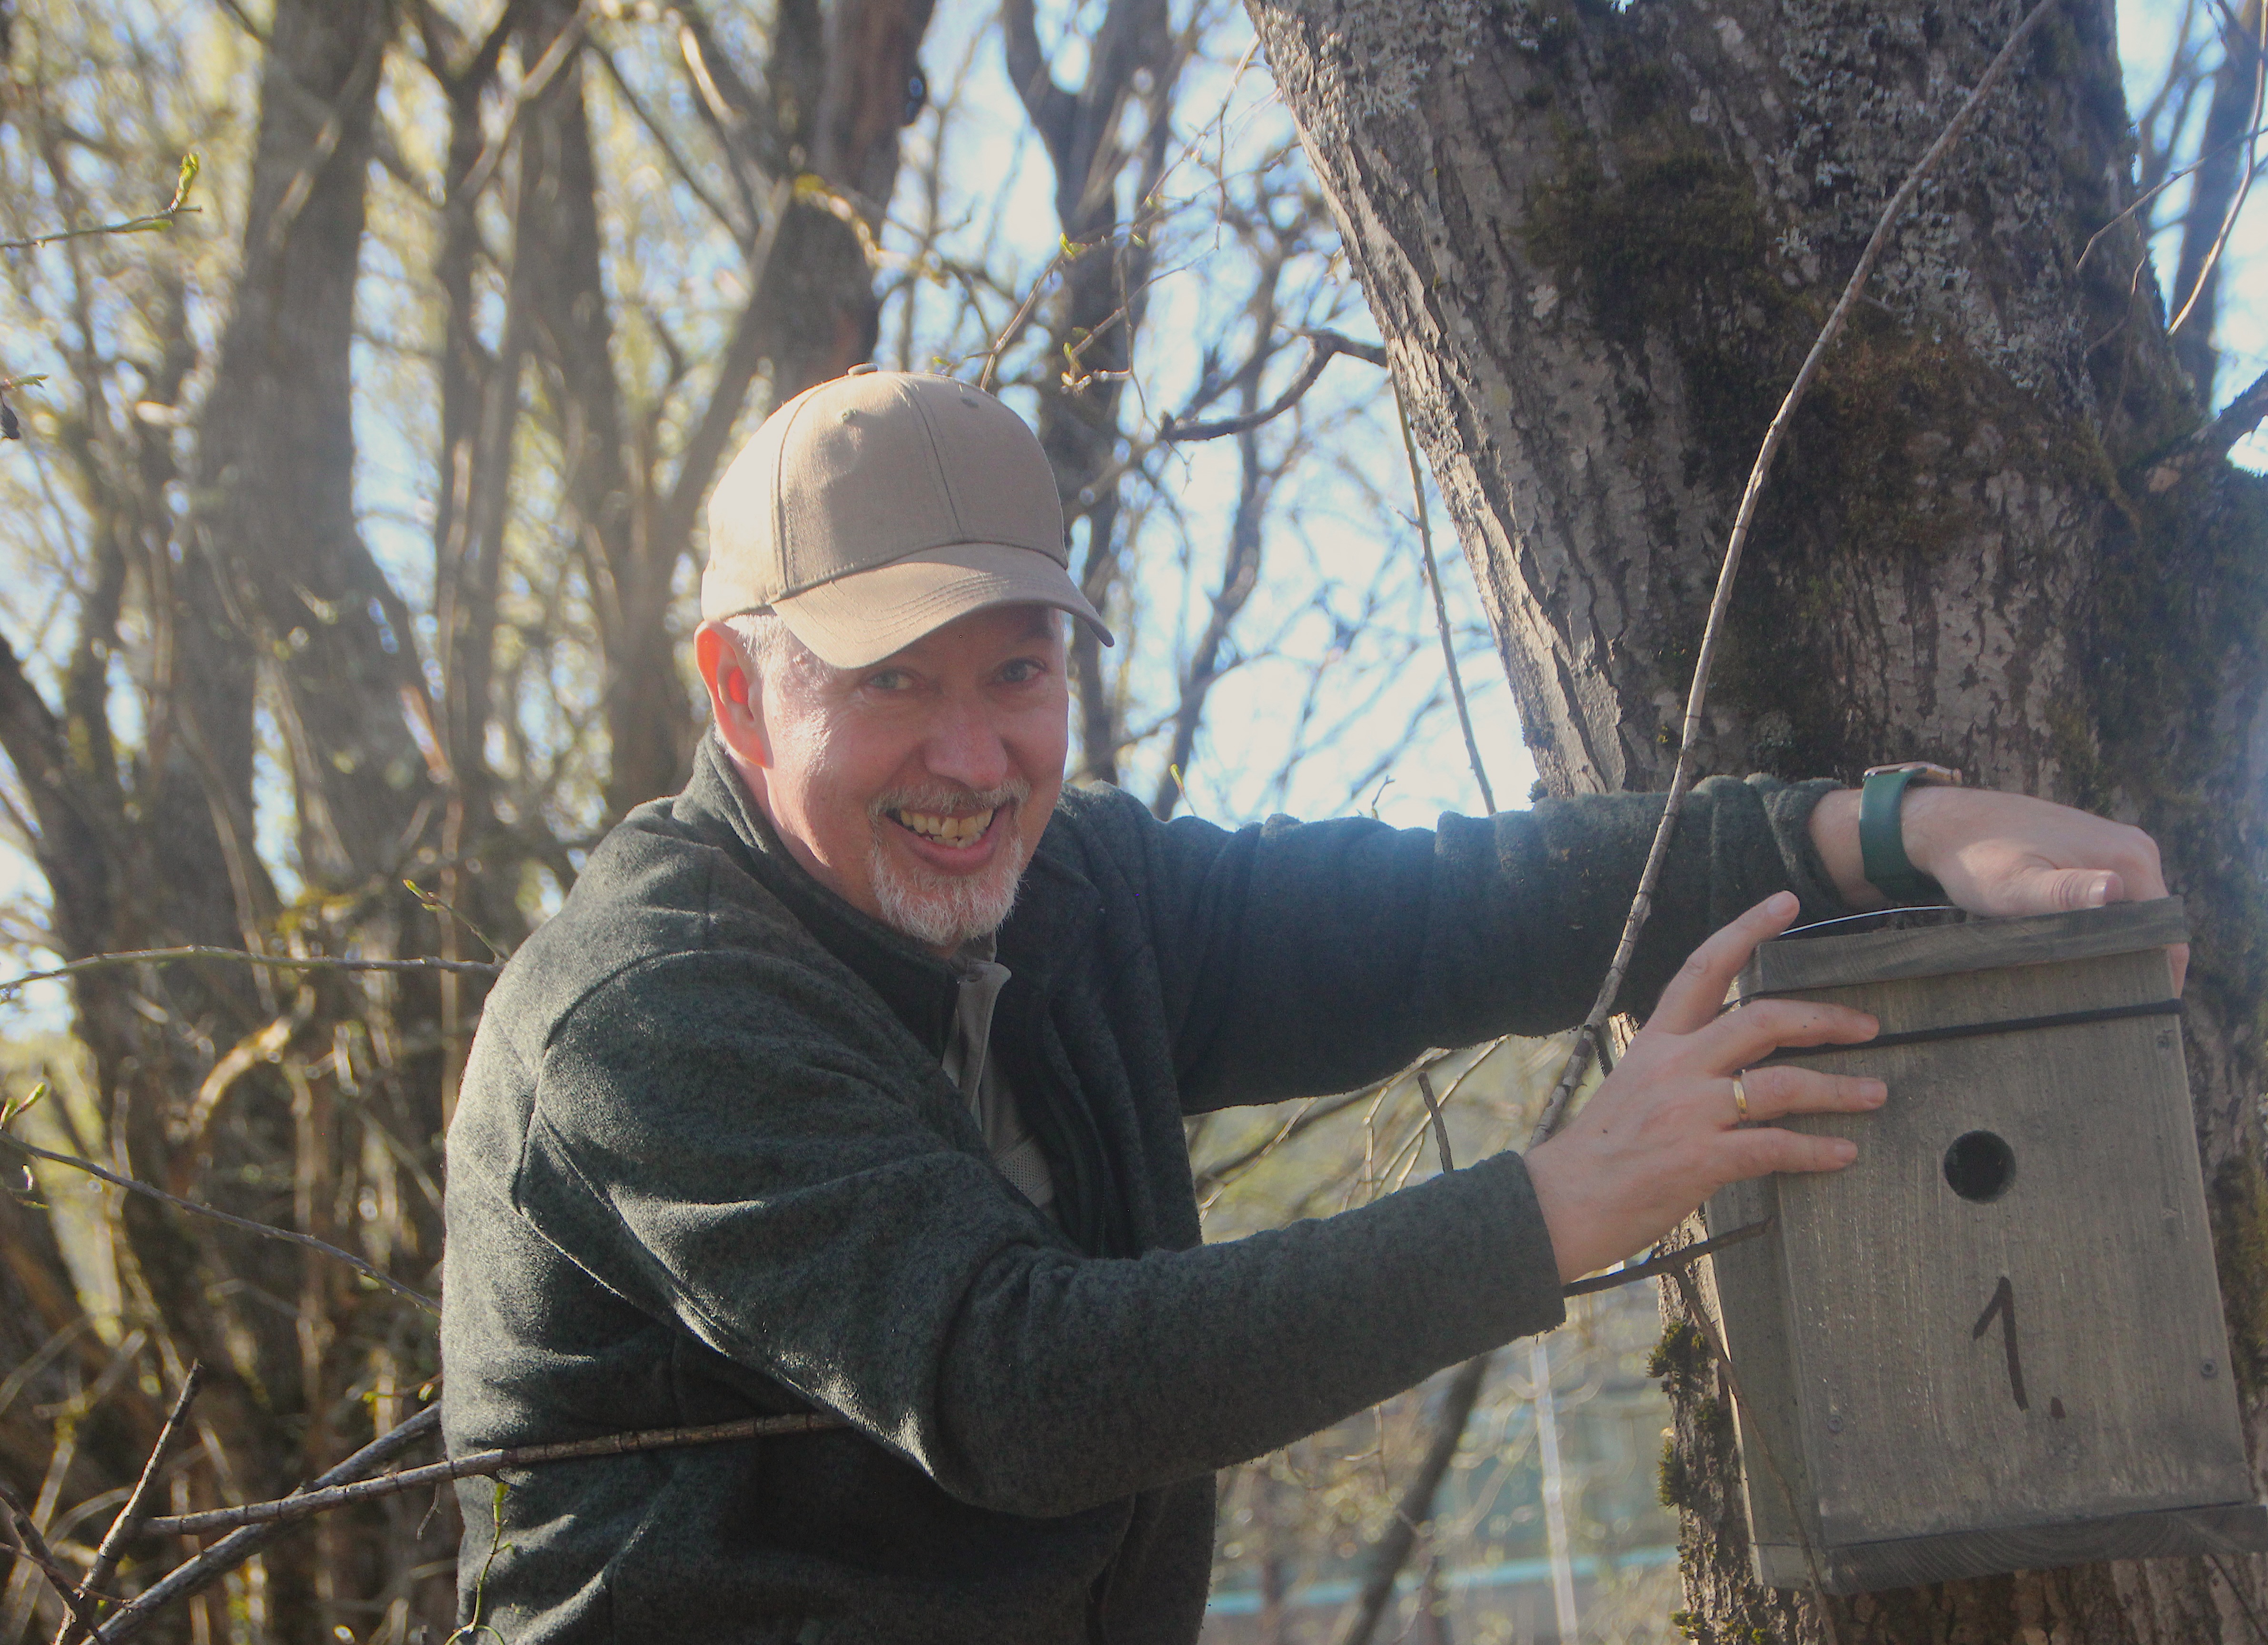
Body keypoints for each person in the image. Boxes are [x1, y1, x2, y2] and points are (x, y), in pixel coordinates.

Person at [440, 368, 2173, 1644]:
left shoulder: (1076, 901)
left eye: (1016, 674)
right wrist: (1563, 1198)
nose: (970, 760)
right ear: (740, 693)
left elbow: (1446, 911)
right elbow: (1019, 1383)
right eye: (893, 684)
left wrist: (1874, 827)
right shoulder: (654, 1007)